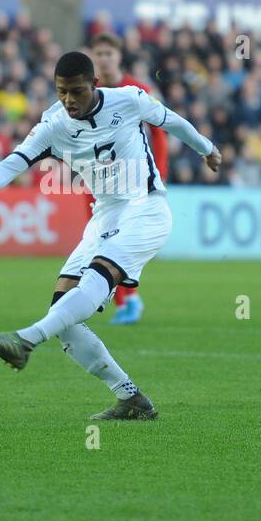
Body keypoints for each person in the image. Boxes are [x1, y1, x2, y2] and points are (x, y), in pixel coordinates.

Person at [0, 51, 221, 420]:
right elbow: (19, 159)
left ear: (95, 85)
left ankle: (24, 340)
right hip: (103, 217)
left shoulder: (129, 99)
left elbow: (172, 121)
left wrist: (207, 149)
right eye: (61, 92)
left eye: (77, 92)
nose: (69, 100)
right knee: (64, 314)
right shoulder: (53, 124)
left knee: (95, 283)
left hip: (145, 209)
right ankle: (131, 399)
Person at [89, 32, 166, 325]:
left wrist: (159, 171)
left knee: (126, 239)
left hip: (134, 180)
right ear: (92, 57)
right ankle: (124, 302)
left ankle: (128, 299)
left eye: (110, 53)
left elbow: (160, 131)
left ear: (119, 56)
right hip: (97, 179)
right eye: (99, 53)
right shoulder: (87, 90)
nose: (105, 58)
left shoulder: (137, 89)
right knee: (101, 239)